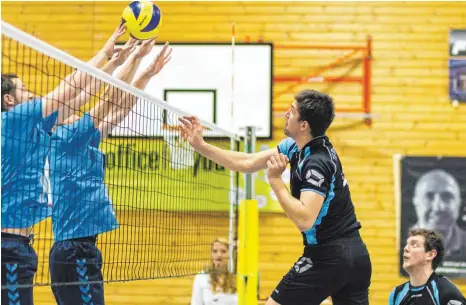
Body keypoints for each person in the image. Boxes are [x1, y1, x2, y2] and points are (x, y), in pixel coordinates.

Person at [179, 89, 372, 305]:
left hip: (329, 255)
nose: (285, 114)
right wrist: (200, 146)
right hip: (355, 255)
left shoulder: (317, 162)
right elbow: (247, 162)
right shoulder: (296, 147)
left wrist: (275, 181)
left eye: (291, 111)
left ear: (304, 125)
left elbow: (305, 219)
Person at [1, 24, 126, 305]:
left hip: (18, 247)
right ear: (9, 100)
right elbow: (66, 89)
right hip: (7, 248)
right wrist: (105, 52)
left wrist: (112, 67)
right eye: (24, 89)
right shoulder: (12, 121)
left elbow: (77, 100)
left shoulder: (29, 128)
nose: (31, 94)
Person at [48, 38, 171, 305]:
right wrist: (136, 57)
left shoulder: (83, 140)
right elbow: (109, 97)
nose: (75, 105)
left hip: (80, 248)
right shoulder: (65, 137)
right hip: (74, 250)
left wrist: (147, 72)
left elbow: (121, 108)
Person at [389, 228, 465, 305]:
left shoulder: (446, 292)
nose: (405, 248)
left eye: (414, 245)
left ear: (430, 255)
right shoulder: (396, 294)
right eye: (407, 244)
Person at [411, 169, 466, 260]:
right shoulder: (400, 242)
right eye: (429, 196)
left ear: (458, 203)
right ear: (416, 202)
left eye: (447, 197)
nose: (438, 207)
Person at [191, 237, 237, 305]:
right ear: (211, 255)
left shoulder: (237, 277)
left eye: (223, 251)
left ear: (229, 255)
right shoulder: (201, 276)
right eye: (215, 251)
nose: (219, 255)